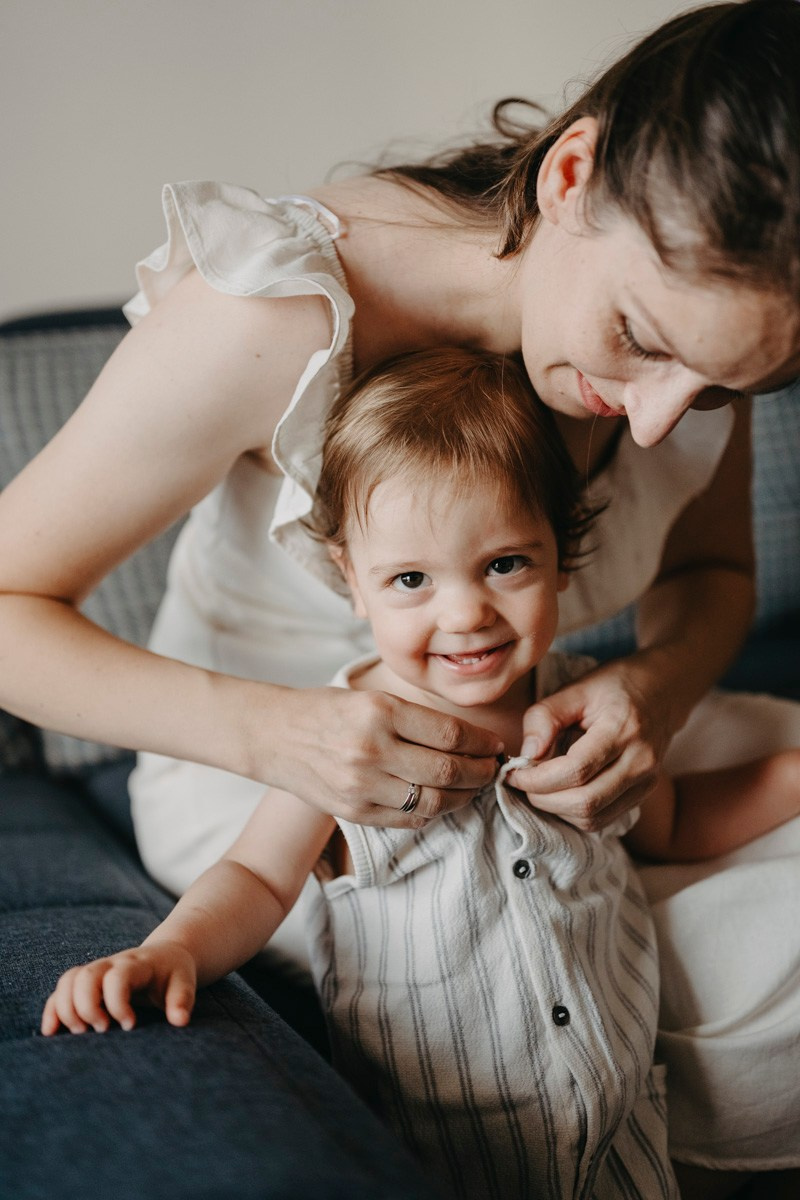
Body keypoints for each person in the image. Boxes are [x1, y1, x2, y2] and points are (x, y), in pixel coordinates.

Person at [0, 0, 798, 1178]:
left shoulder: (689, 362)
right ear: (573, 172)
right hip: (278, 782)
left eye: (723, 390)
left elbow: (712, 577)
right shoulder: (277, 306)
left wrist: (655, 692)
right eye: (640, 336)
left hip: (546, 724)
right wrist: (288, 738)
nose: (655, 418)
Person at [41, 349, 800, 1200]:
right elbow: (255, 876)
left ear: (563, 549)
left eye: (506, 564)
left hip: (622, 1136)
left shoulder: (582, 715)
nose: (466, 612)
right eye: (410, 579)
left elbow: (680, 818)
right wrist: (170, 951)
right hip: (444, 1146)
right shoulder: (343, 742)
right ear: (349, 582)